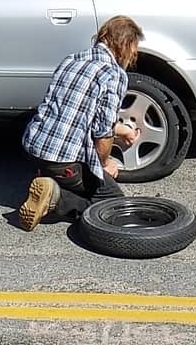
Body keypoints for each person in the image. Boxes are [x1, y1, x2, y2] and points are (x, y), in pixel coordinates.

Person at [18, 16, 145, 232]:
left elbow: (79, 114)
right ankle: (56, 199)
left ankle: (49, 177)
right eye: (134, 49)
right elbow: (102, 133)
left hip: (34, 147)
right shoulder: (114, 74)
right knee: (113, 205)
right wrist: (104, 165)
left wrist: (123, 130)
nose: (133, 55)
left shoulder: (72, 60)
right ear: (125, 45)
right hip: (63, 162)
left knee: (80, 178)